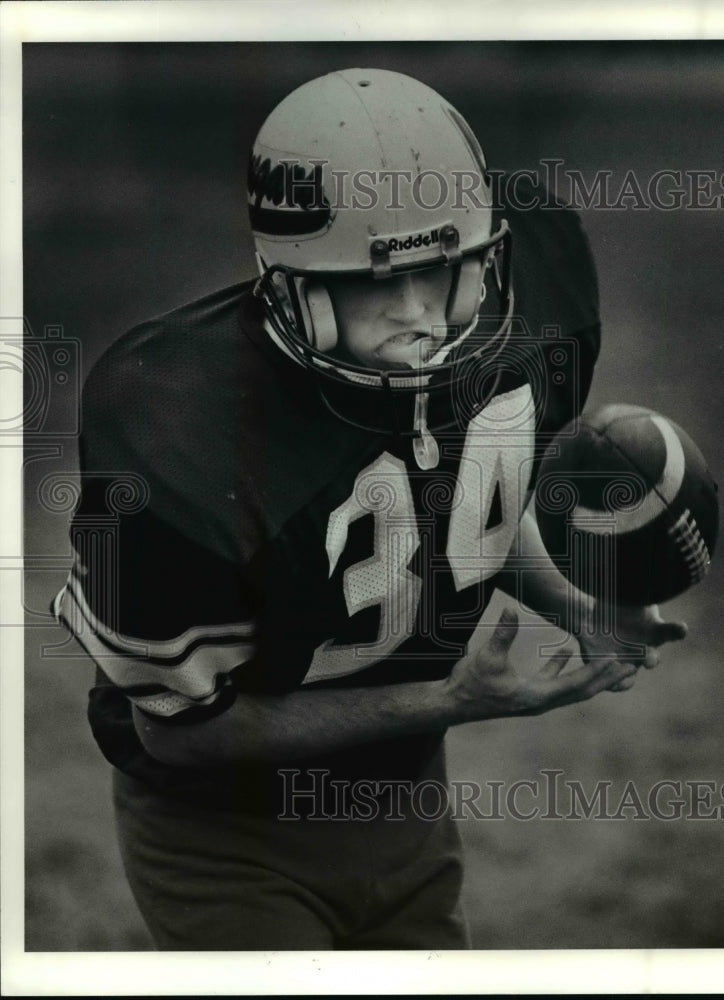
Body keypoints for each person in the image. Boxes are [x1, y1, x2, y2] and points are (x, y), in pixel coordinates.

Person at [54, 67, 685, 950]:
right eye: (376, 282)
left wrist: (582, 603)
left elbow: (468, 512)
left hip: (404, 802)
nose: (422, 314)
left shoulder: (531, 294)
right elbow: (181, 736)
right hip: (225, 832)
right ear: (293, 284)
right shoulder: (178, 418)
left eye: (446, 270)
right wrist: (451, 698)